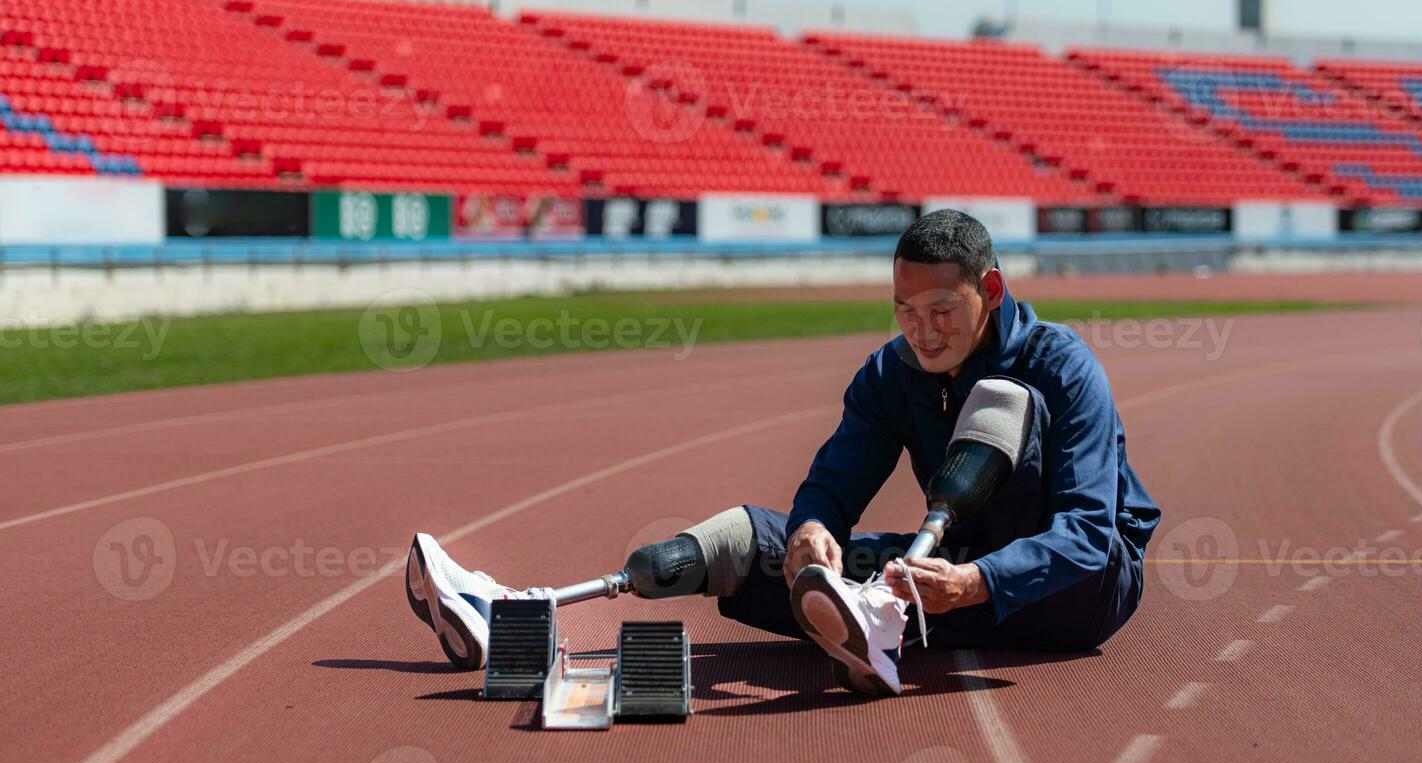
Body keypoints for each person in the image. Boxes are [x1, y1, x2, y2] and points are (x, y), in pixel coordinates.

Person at [405, 210, 1160, 696]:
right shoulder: (890, 373)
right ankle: (510, 610)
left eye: (941, 311)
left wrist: (975, 581)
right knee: (751, 543)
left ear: (990, 290)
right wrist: (810, 529)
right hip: (947, 566)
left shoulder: (1061, 367)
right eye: (904, 310)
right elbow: (837, 479)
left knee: (1005, 416)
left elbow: (1091, 535)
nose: (922, 332)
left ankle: (875, 621)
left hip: (1078, 591)